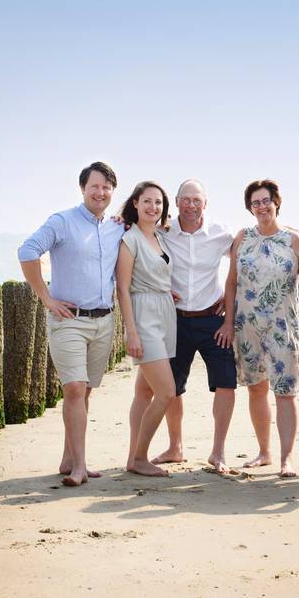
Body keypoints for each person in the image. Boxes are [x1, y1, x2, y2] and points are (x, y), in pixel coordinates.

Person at [18, 161, 125, 487]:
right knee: (74, 388)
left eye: (107, 187)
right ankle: (80, 466)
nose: (101, 192)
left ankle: (68, 456)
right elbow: (27, 251)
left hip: (104, 321)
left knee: (85, 391)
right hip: (68, 321)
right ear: (83, 188)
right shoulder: (62, 221)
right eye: (95, 186)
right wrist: (47, 298)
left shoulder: (117, 226)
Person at [220, 179, 299, 478]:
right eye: (255, 203)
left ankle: (287, 459)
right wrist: (228, 322)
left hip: (283, 327)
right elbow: (231, 283)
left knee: (285, 392)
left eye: (266, 201)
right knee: (257, 389)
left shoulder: (294, 240)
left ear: (277, 202)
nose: (261, 207)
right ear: (250, 207)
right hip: (247, 327)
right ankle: (264, 452)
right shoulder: (242, 237)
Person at [151, 179, 238, 474]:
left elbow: (246, 254)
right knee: (172, 387)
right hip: (174, 319)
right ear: (176, 202)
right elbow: (134, 240)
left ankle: (218, 452)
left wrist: (230, 301)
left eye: (196, 200)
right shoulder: (162, 231)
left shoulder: (220, 233)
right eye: (185, 200)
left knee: (226, 383)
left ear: (206, 203)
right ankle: (175, 447)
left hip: (213, 319)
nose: (191, 205)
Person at [116, 181, 178, 477]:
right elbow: (123, 289)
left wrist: (167, 291)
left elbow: (157, 273)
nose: (153, 207)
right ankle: (141, 457)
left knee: (143, 391)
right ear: (136, 204)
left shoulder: (160, 237)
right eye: (147, 201)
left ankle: (132, 456)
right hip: (144, 317)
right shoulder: (130, 239)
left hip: (166, 314)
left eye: (159, 203)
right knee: (166, 392)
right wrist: (132, 331)